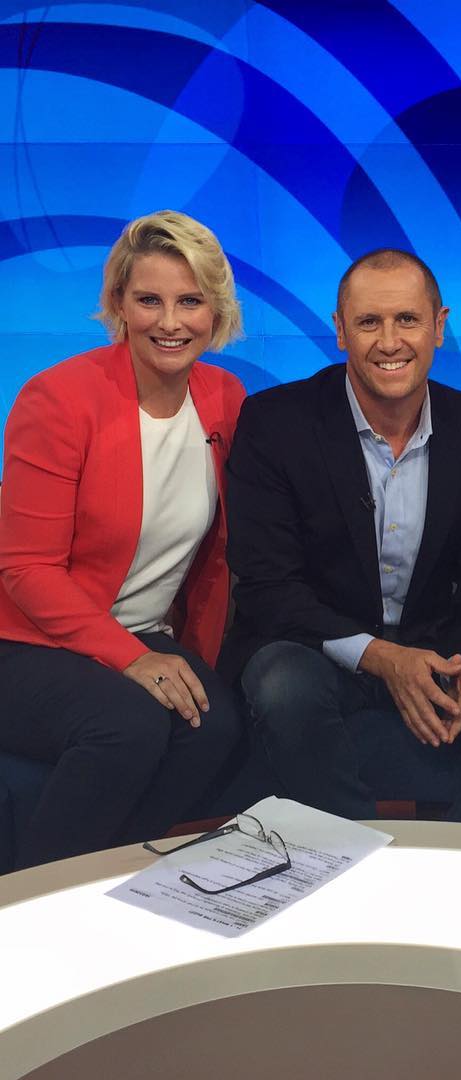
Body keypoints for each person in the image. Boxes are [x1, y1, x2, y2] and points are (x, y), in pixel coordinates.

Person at [223, 249, 461, 825]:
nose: (389, 342)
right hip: (314, 644)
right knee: (282, 689)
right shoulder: (275, 423)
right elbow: (266, 586)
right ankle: (353, 860)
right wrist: (382, 658)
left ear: (439, 326)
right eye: (368, 322)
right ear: (340, 331)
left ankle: (448, 870)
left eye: (407, 319)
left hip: (434, 640)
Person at [0, 210, 246, 866]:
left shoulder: (225, 397)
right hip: (26, 640)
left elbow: (215, 560)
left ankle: (114, 876)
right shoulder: (58, 400)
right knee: (127, 725)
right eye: (149, 301)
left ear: (216, 311)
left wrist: (185, 657)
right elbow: (25, 568)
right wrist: (132, 658)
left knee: (213, 723)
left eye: (190, 301)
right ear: (118, 304)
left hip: (139, 633)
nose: (170, 322)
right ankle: (37, 897)